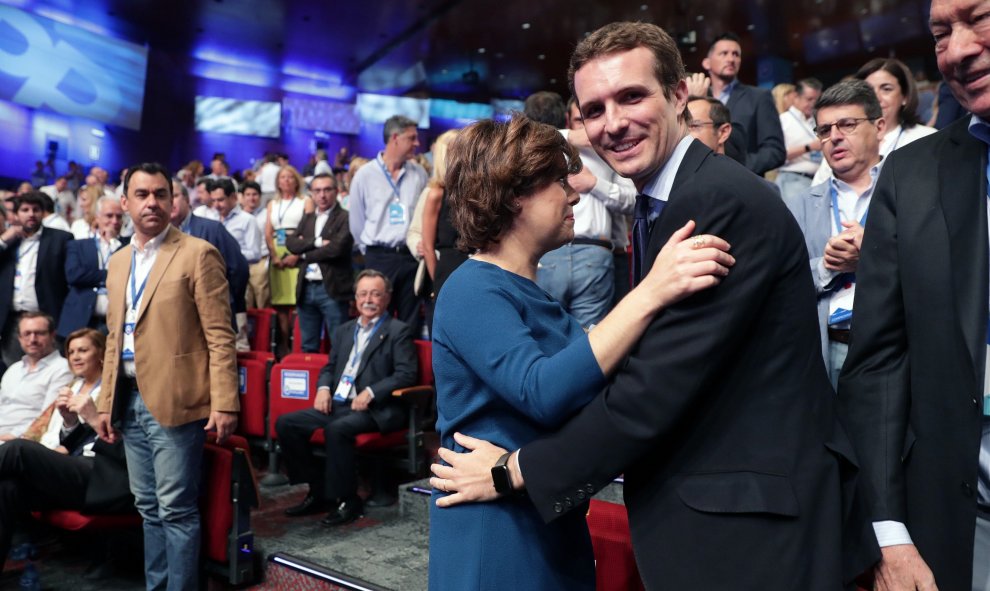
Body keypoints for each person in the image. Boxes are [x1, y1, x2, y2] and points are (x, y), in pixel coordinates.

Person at [431, 21, 876, 590]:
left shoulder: (712, 201)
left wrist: (515, 470)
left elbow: (649, 388)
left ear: (678, 95)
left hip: (748, 523)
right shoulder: (667, 205)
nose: (612, 122)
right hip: (695, 515)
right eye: (594, 109)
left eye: (632, 96)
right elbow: (596, 381)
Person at [426, 113, 733, 590]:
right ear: (513, 197)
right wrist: (650, 292)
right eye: (556, 181)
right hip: (495, 528)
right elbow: (542, 390)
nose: (575, 192)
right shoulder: (471, 287)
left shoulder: (530, 291)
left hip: (541, 511)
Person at [838, 2, 990, 589]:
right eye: (940, 34)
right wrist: (889, 536)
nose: (957, 50)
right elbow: (876, 363)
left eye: (980, 19)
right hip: (960, 532)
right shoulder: (913, 175)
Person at [94, 162, 239, 590]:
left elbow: (220, 334)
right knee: (148, 508)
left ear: (174, 200)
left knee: (176, 510)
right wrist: (105, 402)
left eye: (160, 193)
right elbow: (112, 338)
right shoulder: (118, 261)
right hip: (129, 399)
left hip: (177, 401)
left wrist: (226, 401)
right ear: (125, 203)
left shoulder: (197, 253)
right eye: (142, 195)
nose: (152, 202)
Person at [276, 270, 416, 526]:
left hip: (376, 409)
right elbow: (329, 368)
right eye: (363, 293)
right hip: (340, 402)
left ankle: (347, 500)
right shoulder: (344, 330)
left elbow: (406, 374)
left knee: (337, 429)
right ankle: (317, 489)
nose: (368, 299)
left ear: (387, 298)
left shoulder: (398, 330)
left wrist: (372, 392)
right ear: (355, 297)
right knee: (286, 423)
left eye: (375, 293)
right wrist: (323, 389)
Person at [0, 328, 132, 571]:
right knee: (8, 486)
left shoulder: (121, 390)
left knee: (17, 449)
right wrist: (70, 421)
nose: (76, 357)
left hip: (106, 477)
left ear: (102, 354)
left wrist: (93, 418)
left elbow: (133, 451)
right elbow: (74, 442)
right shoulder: (75, 387)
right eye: (71, 352)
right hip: (76, 468)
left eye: (83, 350)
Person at [783, 80, 885, 389]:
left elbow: (933, 266)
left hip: (895, 346)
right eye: (825, 130)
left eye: (848, 125)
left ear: (879, 127)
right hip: (829, 348)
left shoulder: (906, 191)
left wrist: (872, 253)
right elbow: (784, 281)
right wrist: (828, 266)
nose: (834, 137)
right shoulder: (799, 205)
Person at [525, 92, 638, 328]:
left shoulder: (610, 150)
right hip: (550, 251)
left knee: (585, 339)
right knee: (552, 334)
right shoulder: (543, 151)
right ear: (568, 120)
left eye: (591, 118)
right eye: (580, 120)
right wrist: (569, 136)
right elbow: (524, 139)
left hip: (594, 252)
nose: (586, 128)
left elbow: (632, 202)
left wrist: (595, 184)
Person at [347, 115, 429, 327]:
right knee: (375, 319)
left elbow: (424, 216)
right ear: (395, 138)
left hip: (410, 257)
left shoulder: (419, 174)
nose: (417, 143)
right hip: (378, 257)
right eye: (412, 138)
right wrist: (371, 251)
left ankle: (403, 361)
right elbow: (356, 223)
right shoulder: (365, 175)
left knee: (408, 323)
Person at [812, 57, 937, 184]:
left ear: (904, 96)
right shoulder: (840, 144)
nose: (876, 97)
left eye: (886, 89)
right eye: (869, 90)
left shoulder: (926, 138)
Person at [0, 192, 72, 367]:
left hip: (48, 318)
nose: (31, 214)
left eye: (36, 209)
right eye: (25, 210)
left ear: (43, 213)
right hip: (13, 321)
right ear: (16, 215)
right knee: (15, 370)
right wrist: (3, 240)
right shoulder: (9, 241)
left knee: (53, 370)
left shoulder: (60, 238)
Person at [698, 32, 786, 174]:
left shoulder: (759, 97)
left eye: (736, 54)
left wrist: (737, 168)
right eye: (724, 53)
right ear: (707, 63)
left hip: (744, 183)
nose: (731, 59)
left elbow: (775, 151)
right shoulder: (699, 98)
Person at [285, 174, 353, 353]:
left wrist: (304, 254)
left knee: (339, 344)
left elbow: (337, 249)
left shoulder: (345, 217)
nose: (322, 195)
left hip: (332, 288)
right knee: (308, 345)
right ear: (312, 194)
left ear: (336, 192)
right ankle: (313, 381)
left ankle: (336, 381)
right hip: (306, 287)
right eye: (317, 190)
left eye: (327, 190)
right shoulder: (308, 218)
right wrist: (316, 242)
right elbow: (291, 244)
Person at [58, 197, 127, 338]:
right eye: (109, 216)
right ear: (98, 217)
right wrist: (111, 275)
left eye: (119, 217)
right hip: (81, 320)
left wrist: (92, 276)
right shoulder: (78, 245)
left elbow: (131, 275)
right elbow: (74, 275)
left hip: (119, 323)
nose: (114, 221)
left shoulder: (129, 246)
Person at [0, 313, 73, 441]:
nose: (32, 339)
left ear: (52, 336)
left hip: (22, 441)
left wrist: (10, 436)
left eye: (39, 333)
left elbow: (46, 417)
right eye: (27, 334)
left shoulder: (62, 369)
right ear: (19, 338)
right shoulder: (13, 369)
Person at [266, 165, 314, 356]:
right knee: (281, 304)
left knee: (297, 301)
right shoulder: (272, 203)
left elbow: (309, 229)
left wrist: (296, 255)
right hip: (277, 252)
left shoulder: (306, 201)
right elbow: (268, 233)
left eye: (290, 177)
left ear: (296, 180)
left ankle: (299, 346)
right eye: (282, 177)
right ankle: (284, 347)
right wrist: (274, 256)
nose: (286, 180)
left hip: (297, 249)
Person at [777, 78, 824, 201]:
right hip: (793, 180)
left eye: (816, 100)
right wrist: (808, 147)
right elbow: (777, 155)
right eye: (809, 99)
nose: (813, 104)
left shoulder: (815, 121)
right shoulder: (783, 121)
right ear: (796, 97)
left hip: (818, 180)